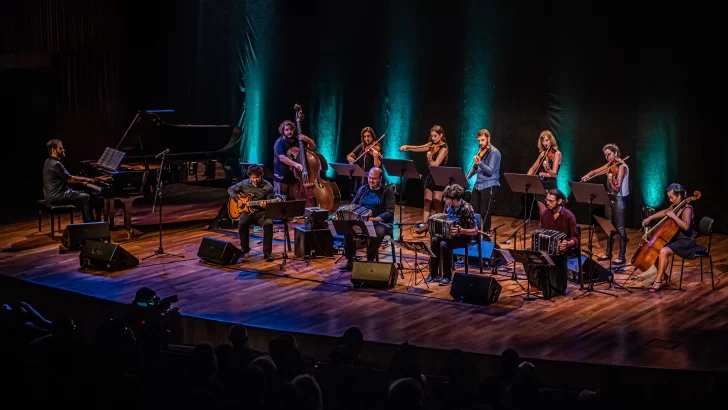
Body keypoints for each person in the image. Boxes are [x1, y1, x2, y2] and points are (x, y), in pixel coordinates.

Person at [641, 183, 697, 293]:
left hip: (686, 241)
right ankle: (663, 275)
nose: (670, 200)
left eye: (672, 197)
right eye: (669, 198)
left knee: (663, 251)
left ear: (679, 195)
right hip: (677, 239)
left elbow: (686, 226)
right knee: (654, 248)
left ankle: (658, 281)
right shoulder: (676, 206)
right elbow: (665, 212)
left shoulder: (687, 209)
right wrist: (650, 217)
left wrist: (674, 217)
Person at [339, 167, 395, 272]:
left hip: (378, 221)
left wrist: (375, 219)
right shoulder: (363, 189)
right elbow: (353, 205)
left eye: (374, 178)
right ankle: (350, 261)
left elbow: (389, 212)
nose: (371, 181)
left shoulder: (387, 192)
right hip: (361, 220)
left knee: (378, 231)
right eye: (369, 178)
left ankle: (370, 259)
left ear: (380, 179)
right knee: (347, 229)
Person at [581, 143, 629, 264]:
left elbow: (617, 188)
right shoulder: (610, 165)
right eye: (606, 155)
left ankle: (622, 256)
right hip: (609, 198)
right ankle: (608, 253)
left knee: (620, 227)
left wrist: (611, 180)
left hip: (619, 198)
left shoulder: (622, 166)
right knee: (609, 226)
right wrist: (588, 175)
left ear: (616, 153)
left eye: (609, 154)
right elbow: (596, 171)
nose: (608, 158)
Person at [400, 125, 449, 234]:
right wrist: (407, 147)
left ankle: (439, 224)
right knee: (427, 200)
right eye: (432, 136)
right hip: (430, 176)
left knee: (437, 201)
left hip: (439, 176)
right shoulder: (431, 145)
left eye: (435, 136)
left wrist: (430, 158)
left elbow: (435, 165)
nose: (433, 138)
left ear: (441, 135)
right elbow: (419, 147)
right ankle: (424, 225)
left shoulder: (444, 148)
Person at [426, 184, 477, 286]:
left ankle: (447, 276)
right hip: (449, 235)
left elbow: (475, 230)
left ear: (453, 199)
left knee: (444, 245)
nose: (444, 199)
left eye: (446, 198)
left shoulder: (467, 208)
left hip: (464, 237)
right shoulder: (448, 206)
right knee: (435, 240)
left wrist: (460, 231)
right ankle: (433, 273)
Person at [535, 189, 580, 298]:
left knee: (556, 258)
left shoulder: (569, 216)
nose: (547, 203)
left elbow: (576, 238)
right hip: (546, 248)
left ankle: (556, 287)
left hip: (563, 249)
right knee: (527, 255)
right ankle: (538, 284)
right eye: (547, 200)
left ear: (560, 201)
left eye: (551, 201)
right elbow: (540, 231)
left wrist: (568, 243)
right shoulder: (544, 213)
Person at [43, 139, 101, 222]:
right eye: (61, 148)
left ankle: (86, 219)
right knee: (87, 197)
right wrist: (87, 179)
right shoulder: (56, 164)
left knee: (85, 194)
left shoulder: (48, 161)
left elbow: (68, 177)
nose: (63, 150)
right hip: (57, 196)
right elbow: (70, 179)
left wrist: (83, 180)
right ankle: (90, 222)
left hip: (50, 195)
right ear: (53, 150)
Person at [227, 165, 275, 261]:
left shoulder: (268, 186)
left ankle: (267, 252)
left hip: (262, 213)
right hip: (248, 212)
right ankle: (244, 248)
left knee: (268, 224)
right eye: (253, 177)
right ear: (249, 176)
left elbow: (272, 201)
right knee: (242, 223)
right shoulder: (244, 184)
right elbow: (230, 190)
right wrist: (238, 200)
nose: (255, 179)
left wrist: (266, 205)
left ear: (261, 176)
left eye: (257, 177)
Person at [469, 129, 501, 238]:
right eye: (479, 140)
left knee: (485, 214)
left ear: (488, 138)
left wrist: (480, 163)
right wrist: (465, 178)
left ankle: (486, 239)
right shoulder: (480, 150)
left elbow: (490, 170)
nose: (480, 143)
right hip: (478, 185)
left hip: (489, 185)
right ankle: (474, 236)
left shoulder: (494, 152)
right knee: (473, 212)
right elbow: (474, 167)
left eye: (482, 140)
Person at [273, 120, 316, 199]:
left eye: (291, 129)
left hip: (295, 178)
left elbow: (312, 148)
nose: (289, 131)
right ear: (282, 131)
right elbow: (282, 158)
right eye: (287, 130)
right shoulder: (279, 142)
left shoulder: (297, 141)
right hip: (282, 178)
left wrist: (308, 139)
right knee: (280, 202)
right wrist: (295, 164)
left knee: (293, 202)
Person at [526, 130, 561, 215]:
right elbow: (533, 168)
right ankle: (544, 228)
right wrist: (527, 179)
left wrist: (547, 171)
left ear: (551, 140)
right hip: (541, 185)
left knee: (550, 212)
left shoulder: (557, 154)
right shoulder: (543, 154)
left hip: (550, 186)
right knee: (542, 212)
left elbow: (554, 174)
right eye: (543, 141)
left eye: (547, 140)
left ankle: (551, 228)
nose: (545, 143)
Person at [346, 127, 382, 194]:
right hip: (361, 176)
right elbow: (350, 155)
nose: (366, 139)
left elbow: (377, 165)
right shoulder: (362, 146)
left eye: (368, 136)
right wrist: (350, 158)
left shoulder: (377, 146)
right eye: (365, 137)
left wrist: (375, 157)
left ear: (372, 136)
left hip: (372, 177)